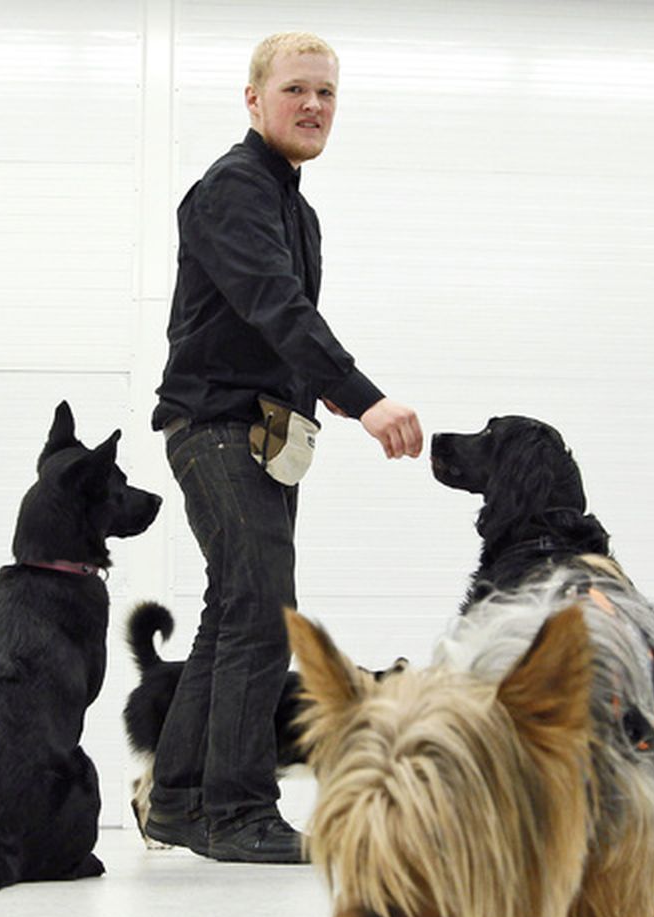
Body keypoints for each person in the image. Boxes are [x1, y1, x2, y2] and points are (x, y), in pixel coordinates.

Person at [145, 32, 423, 863]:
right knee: (264, 610)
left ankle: (178, 801)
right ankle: (238, 811)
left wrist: (326, 394)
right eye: (296, 89)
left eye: (327, 94)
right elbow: (275, 306)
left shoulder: (293, 206)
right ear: (254, 99)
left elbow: (275, 327)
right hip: (217, 427)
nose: (312, 106)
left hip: (257, 428)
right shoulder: (234, 189)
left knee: (231, 611)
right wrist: (366, 397)